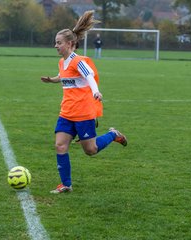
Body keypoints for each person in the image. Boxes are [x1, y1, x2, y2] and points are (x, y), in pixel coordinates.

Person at [41, 11, 127, 194]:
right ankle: (66, 184)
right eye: (56, 42)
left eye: (59, 42)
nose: (55, 46)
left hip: (83, 113)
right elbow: (65, 77)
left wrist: (95, 91)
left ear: (70, 44)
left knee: (91, 150)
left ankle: (113, 134)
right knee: (60, 145)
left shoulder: (77, 61)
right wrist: (53, 80)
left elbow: (88, 75)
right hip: (66, 112)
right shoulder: (61, 63)